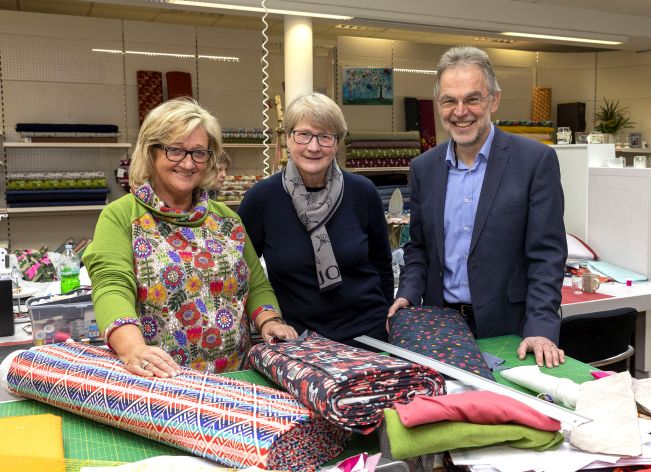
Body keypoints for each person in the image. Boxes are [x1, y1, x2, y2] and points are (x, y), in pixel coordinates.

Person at [83, 97, 297, 378]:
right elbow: (112, 287)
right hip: (161, 381)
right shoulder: (121, 217)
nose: (188, 163)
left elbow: (256, 284)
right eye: (175, 151)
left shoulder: (227, 220)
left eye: (198, 153)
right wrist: (132, 348)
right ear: (151, 152)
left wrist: (270, 321)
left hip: (236, 380)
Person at [388, 46, 568, 367]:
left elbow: (546, 255)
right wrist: (408, 293)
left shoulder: (534, 161)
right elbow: (419, 247)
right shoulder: (424, 168)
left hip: (511, 330)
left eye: (472, 99)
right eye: (449, 101)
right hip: (440, 326)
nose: (460, 111)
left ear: (493, 100)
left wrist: (540, 327)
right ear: (438, 105)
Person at [238, 92, 394, 347]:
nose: (314, 146)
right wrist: (267, 321)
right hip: (298, 341)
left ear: (337, 142)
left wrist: (389, 322)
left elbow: (382, 265)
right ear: (288, 138)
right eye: (304, 134)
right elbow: (244, 272)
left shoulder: (362, 192)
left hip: (370, 335)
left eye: (325, 136)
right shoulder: (262, 198)